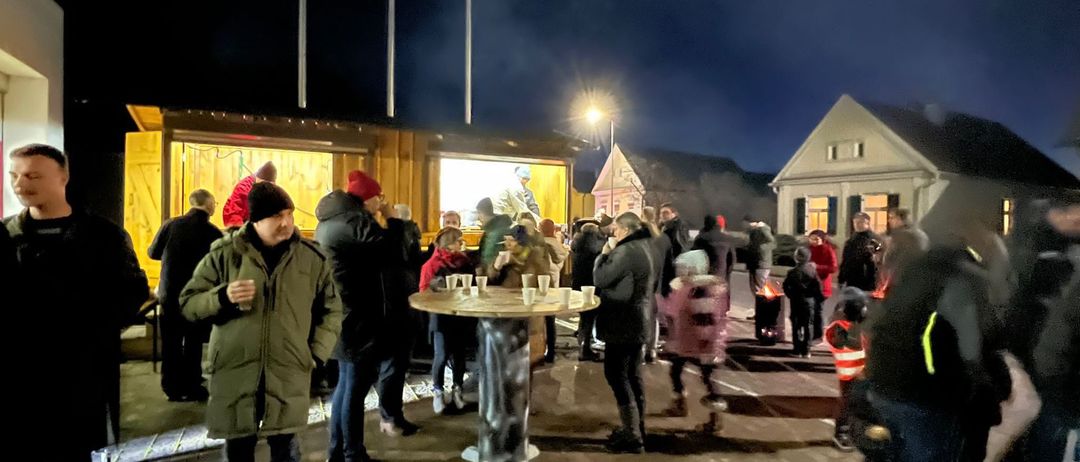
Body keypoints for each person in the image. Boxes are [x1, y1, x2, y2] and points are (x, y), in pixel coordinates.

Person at [180, 182, 343, 462]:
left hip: (288, 373)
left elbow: (332, 309)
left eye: (289, 214)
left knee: (286, 451)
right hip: (235, 373)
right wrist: (222, 297)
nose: (287, 223)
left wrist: (315, 353)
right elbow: (189, 303)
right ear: (255, 220)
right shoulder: (225, 254)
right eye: (277, 216)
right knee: (238, 452)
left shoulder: (311, 258)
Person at [5, 144, 149, 460]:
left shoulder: (105, 236)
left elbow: (131, 292)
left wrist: (90, 330)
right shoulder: (4, 236)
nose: (19, 184)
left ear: (63, 177)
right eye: (14, 175)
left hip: (83, 377)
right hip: (18, 377)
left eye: (33, 176)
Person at [865, 246, 1010, 462]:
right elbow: (974, 346)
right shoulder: (961, 289)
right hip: (925, 397)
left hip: (883, 385)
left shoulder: (909, 282)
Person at [314, 170, 419, 462]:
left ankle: (338, 452)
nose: (381, 202)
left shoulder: (334, 219)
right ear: (368, 197)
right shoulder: (353, 221)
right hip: (356, 317)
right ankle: (352, 453)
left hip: (343, 313)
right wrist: (394, 219)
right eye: (378, 197)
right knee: (354, 389)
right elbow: (392, 251)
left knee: (346, 386)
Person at [148, 189, 223, 402]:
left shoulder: (170, 225)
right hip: (196, 295)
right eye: (214, 203)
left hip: (169, 292)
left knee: (170, 342)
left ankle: (171, 387)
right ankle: (192, 385)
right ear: (209, 205)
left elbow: (152, 252)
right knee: (193, 341)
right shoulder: (212, 232)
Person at [593, 212, 657, 453]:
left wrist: (604, 255)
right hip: (639, 319)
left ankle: (632, 436)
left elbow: (600, 278)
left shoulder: (625, 251)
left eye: (616, 230)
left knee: (616, 374)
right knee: (632, 375)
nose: (614, 234)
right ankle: (638, 428)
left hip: (622, 320)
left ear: (626, 230)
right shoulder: (646, 247)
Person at [658, 250, 730, 424]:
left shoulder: (699, 291)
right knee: (699, 376)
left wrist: (705, 343)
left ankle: (711, 417)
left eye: (682, 268)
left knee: (702, 377)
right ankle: (708, 414)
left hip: (699, 343)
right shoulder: (692, 288)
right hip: (690, 342)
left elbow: (704, 318)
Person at [419, 227, 474, 415]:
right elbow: (422, 292)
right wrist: (435, 288)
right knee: (441, 355)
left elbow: (473, 285)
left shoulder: (464, 262)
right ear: (449, 244)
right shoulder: (432, 265)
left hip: (459, 314)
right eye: (458, 241)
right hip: (440, 317)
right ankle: (438, 391)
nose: (461, 244)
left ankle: (457, 389)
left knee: (459, 355)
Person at [824, 287, 869, 452]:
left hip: (860, 372)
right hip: (850, 374)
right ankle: (841, 433)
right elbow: (851, 341)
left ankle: (854, 431)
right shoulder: (840, 328)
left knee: (861, 404)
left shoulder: (852, 326)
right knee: (848, 403)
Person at [571, 222, 607, 361]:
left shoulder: (577, 244)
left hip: (578, 284)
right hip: (592, 285)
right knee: (589, 317)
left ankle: (583, 344)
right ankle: (585, 348)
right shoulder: (597, 247)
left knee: (584, 317)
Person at [783, 247, 825, 358]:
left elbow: (786, 286)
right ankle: (806, 350)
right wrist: (817, 298)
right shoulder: (812, 271)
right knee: (808, 325)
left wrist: (790, 295)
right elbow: (818, 287)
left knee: (796, 325)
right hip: (809, 301)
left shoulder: (792, 272)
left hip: (796, 301)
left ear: (797, 257)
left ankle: (797, 350)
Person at [540, 219, 569, 363]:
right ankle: (551, 350)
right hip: (553, 284)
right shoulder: (559, 246)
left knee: (540, 320)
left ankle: (541, 349)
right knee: (550, 319)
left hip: (541, 284)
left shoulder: (540, 245)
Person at [881, 207, 929, 288]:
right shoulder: (920, 233)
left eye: (892, 218)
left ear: (900, 219)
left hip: (901, 279)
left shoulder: (903, 235)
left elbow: (894, 258)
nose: (889, 221)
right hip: (917, 277)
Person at [222, 161, 276, 228]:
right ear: (257, 179)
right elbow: (234, 213)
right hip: (237, 217)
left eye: (267, 186)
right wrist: (239, 232)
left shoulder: (272, 190)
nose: (263, 188)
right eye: (262, 184)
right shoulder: (243, 188)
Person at [838, 212, 881, 292]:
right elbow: (845, 260)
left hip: (868, 280)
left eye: (860, 222)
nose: (857, 224)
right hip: (851, 280)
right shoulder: (850, 241)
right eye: (855, 222)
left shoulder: (875, 240)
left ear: (867, 223)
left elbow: (879, 259)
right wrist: (841, 278)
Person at [807, 229, 838, 339]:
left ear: (822, 240)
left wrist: (817, 267)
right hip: (809, 284)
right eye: (811, 239)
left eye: (816, 239)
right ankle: (810, 333)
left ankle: (818, 335)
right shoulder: (808, 249)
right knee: (809, 310)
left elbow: (833, 268)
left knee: (818, 310)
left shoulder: (828, 250)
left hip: (822, 285)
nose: (813, 241)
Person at [475, 197, 513, 282]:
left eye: (479, 213)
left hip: (496, 279)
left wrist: (482, 272)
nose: (478, 218)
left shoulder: (495, 234)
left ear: (484, 213)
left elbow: (490, 259)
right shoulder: (492, 231)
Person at [743, 215, 776, 295]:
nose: (744, 225)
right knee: (756, 289)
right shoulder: (753, 231)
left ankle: (765, 303)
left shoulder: (763, 230)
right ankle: (760, 302)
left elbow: (773, 243)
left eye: (746, 223)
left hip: (761, 263)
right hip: (754, 263)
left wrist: (761, 248)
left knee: (761, 288)